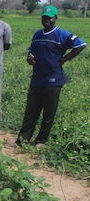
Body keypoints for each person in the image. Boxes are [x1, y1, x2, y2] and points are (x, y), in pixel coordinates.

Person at [16, 5, 86, 148]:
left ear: (55, 18)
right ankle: (23, 139)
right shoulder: (37, 35)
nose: (46, 20)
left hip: (53, 80)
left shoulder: (61, 34)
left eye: (49, 18)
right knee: (31, 111)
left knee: (48, 114)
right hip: (37, 79)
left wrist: (65, 59)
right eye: (44, 17)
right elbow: (31, 50)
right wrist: (29, 57)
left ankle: (41, 141)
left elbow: (81, 44)